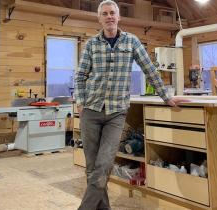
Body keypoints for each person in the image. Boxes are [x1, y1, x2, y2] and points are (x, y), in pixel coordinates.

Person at [74, 1, 188, 209]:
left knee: (104, 164)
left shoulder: (131, 42)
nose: (109, 17)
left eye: (112, 13)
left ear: (118, 17)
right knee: (92, 167)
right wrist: (80, 102)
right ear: (99, 18)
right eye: (105, 14)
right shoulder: (91, 44)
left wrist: (166, 97)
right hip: (91, 111)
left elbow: (150, 70)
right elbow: (80, 76)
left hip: (116, 114)